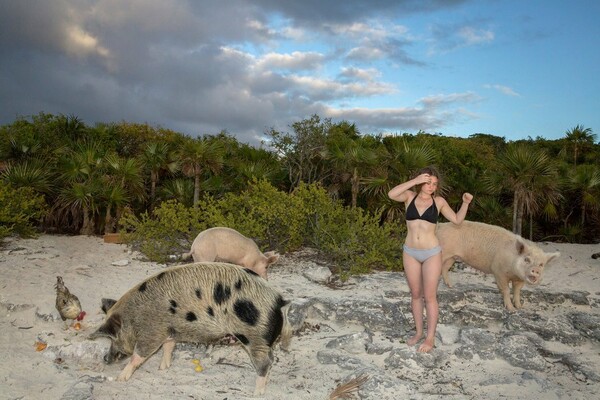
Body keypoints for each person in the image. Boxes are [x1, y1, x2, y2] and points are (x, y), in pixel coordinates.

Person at [388, 166, 473, 352]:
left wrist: (465, 203)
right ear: (420, 181)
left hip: (431, 253)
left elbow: (457, 220)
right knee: (416, 294)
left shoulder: (439, 201)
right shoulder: (409, 196)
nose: (431, 186)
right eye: (428, 182)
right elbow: (391, 194)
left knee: (430, 296)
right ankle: (418, 332)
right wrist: (415, 181)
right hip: (410, 252)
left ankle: (430, 338)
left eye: (434, 184)